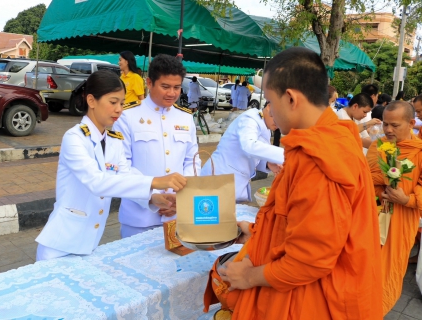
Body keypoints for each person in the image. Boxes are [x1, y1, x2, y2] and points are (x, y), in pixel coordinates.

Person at [203, 47, 382, 319]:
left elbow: (311, 260)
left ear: (290, 98)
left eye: (272, 103)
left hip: (309, 301)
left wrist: (250, 276)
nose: (272, 112)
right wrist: (254, 232)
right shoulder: (327, 139)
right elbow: (300, 223)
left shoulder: (319, 157)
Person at [35, 70, 187, 261]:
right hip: (59, 245)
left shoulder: (114, 141)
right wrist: (156, 181)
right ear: (91, 101)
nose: (119, 109)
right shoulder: (74, 138)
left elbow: (126, 175)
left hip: (89, 244)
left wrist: (153, 198)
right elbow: (97, 182)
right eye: (113, 102)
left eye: (122, 103)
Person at [112, 54, 200, 238]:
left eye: (177, 87)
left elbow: (192, 161)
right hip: (139, 217)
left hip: (177, 214)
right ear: (149, 83)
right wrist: (152, 196)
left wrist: (181, 198)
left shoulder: (185, 117)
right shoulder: (128, 116)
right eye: (165, 86)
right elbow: (121, 166)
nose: (172, 93)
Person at [366, 101, 422, 315]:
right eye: (386, 124)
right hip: (373, 216)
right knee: (365, 270)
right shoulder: (377, 146)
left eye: (394, 125)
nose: (388, 130)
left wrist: (406, 199)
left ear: (411, 123)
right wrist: (385, 186)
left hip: (401, 221)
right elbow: (366, 177)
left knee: (388, 273)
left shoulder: (419, 151)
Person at [200, 104, 284, 202]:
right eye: (279, 118)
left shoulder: (264, 125)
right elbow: (249, 146)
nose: (279, 125)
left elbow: (253, 156)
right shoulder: (250, 119)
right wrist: (286, 155)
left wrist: (268, 164)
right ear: (270, 107)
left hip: (234, 184)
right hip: (219, 179)